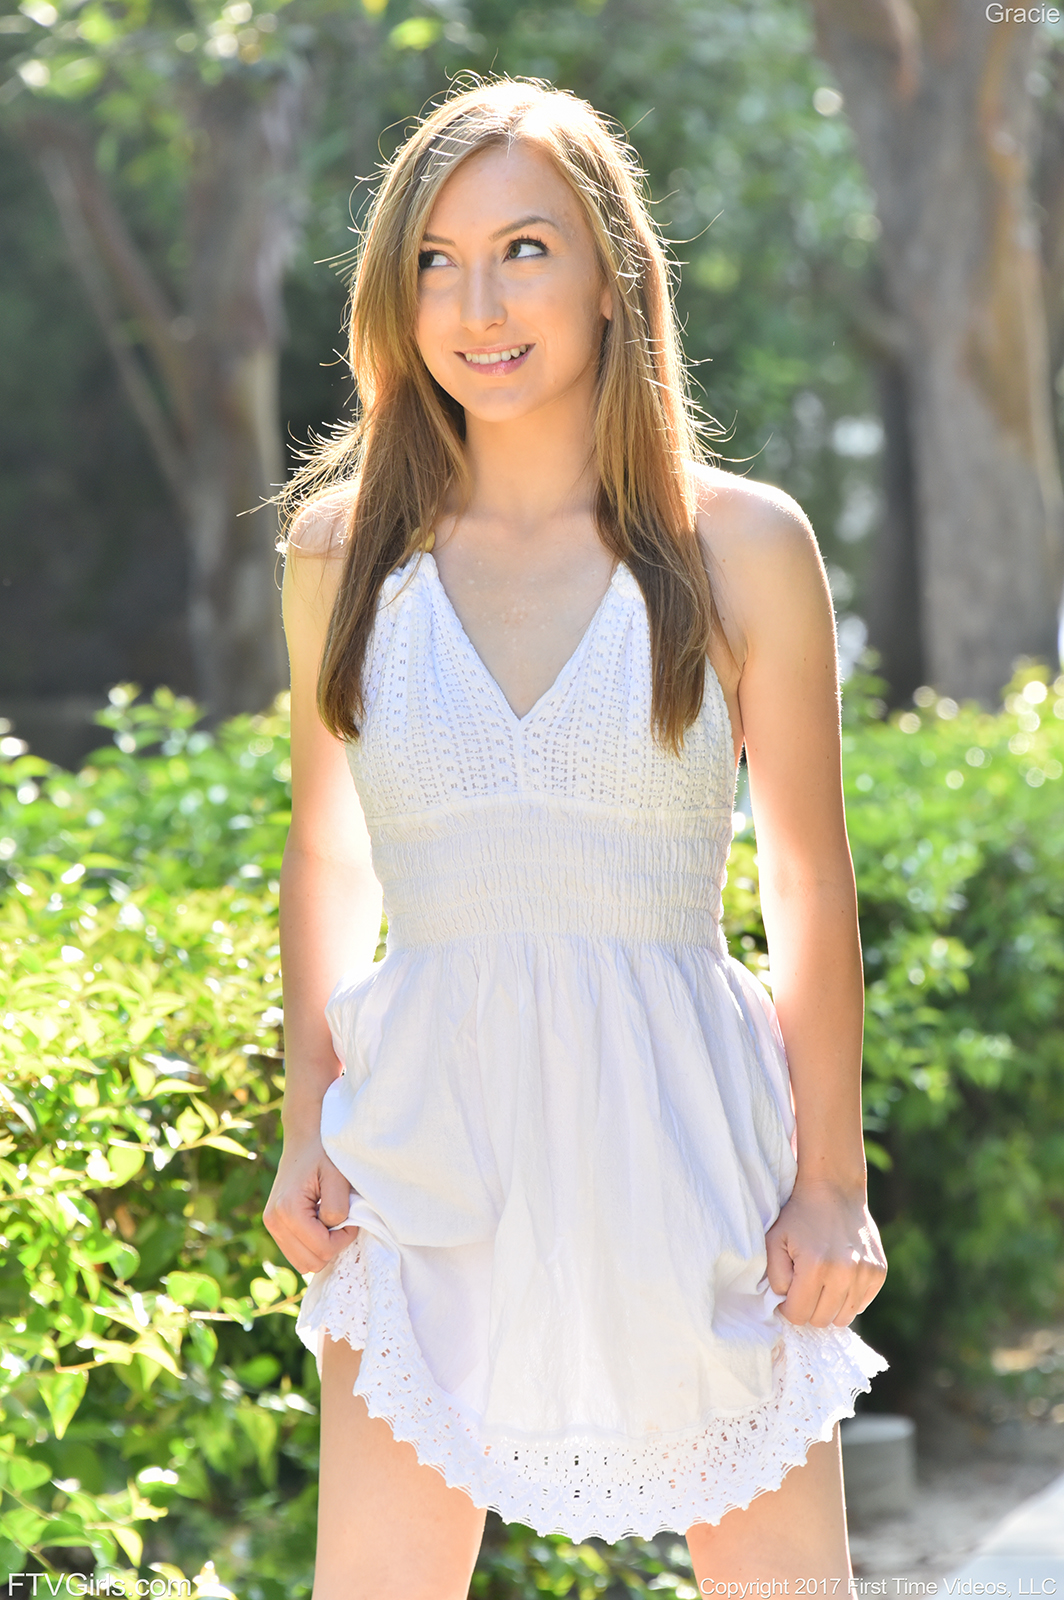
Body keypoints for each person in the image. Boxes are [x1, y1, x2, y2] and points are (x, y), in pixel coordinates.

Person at [263, 77, 889, 1598]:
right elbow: (328, 857)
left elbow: (809, 881)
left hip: (691, 1144)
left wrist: (833, 1179)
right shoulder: (340, 553)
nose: (477, 305)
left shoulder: (742, 544)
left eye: (524, 250)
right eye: (435, 260)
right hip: (421, 1143)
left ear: (614, 274)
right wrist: (302, 1125)